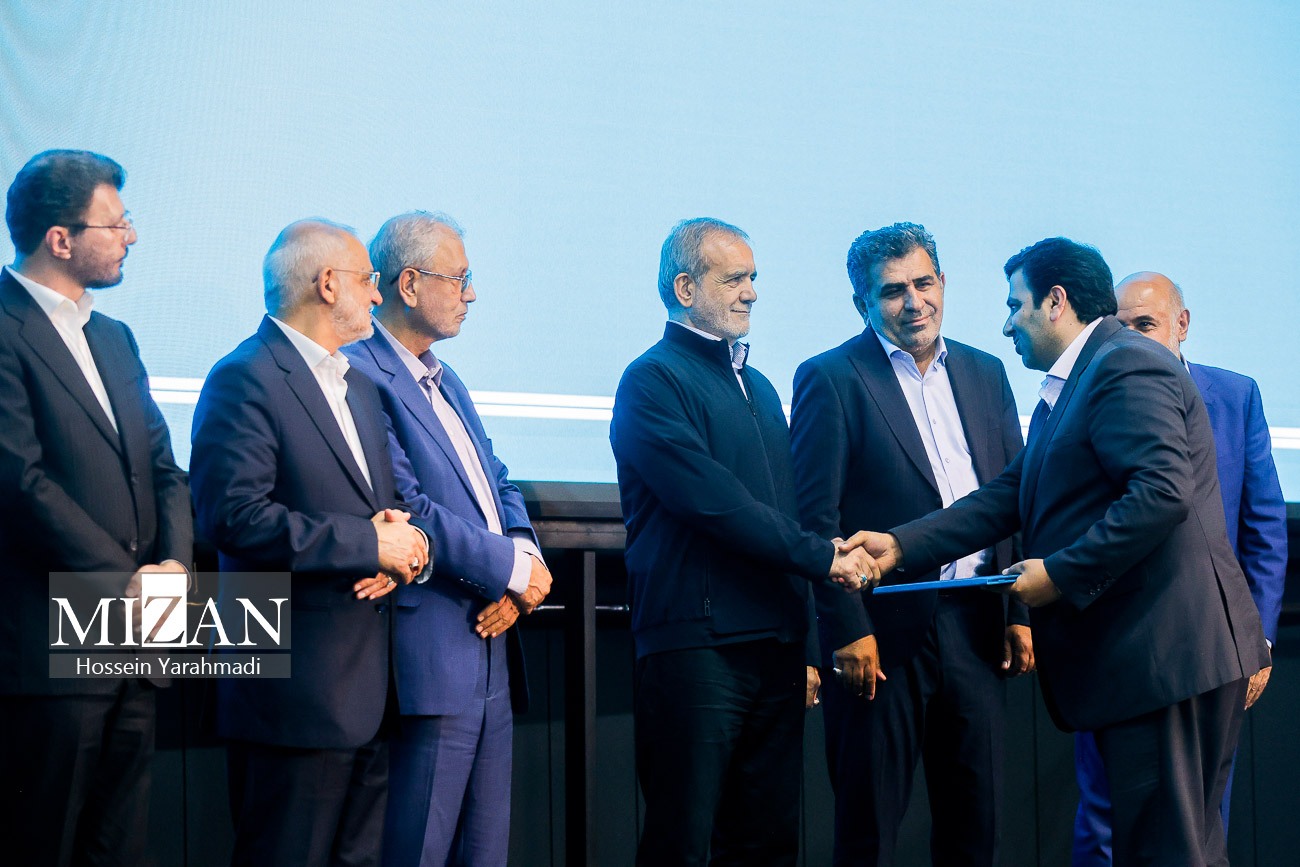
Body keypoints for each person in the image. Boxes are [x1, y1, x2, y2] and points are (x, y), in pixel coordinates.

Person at [847, 238, 1270, 866]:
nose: (1006, 325)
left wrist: (1060, 575)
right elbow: (1008, 496)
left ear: (1055, 301)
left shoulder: (1125, 365)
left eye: (1014, 305)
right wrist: (900, 544)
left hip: (1167, 659)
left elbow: (1161, 494)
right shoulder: (1080, 380)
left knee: (1170, 852)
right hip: (1151, 664)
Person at [609, 217, 878, 866]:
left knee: (768, 844)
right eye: (734, 278)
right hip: (697, 649)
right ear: (684, 287)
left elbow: (788, 511)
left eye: (753, 277)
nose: (752, 291)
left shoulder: (758, 385)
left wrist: (807, 645)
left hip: (775, 649)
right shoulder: (651, 380)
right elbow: (714, 504)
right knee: (682, 842)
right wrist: (826, 558)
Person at [189, 219, 432, 867]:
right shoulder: (244, 376)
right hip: (293, 697)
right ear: (328, 284)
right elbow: (232, 516)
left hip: (373, 690)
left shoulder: (363, 388)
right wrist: (366, 544)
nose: (378, 295)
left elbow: (390, 513)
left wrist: (400, 552)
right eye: (367, 280)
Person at [789, 222, 1032, 866]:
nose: (914, 301)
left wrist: (1018, 610)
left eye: (925, 283)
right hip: (880, 635)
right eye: (893, 290)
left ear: (943, 282)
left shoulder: (986, 372)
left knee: (976, 831)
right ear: (863, 303)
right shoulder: (830, 377)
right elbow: (815, 520)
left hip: (979, 626)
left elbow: (1013, 494)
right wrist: (846, 628)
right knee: (869, 835)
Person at [0, 150, 192, 867]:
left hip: (137, 646)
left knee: (120, 849)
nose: (130, 236)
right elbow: (18, 480)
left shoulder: (114, 336)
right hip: (48, 649)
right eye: (116, 224)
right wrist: (127, 581)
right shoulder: (4, 326)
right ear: (60, 238)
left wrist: (173, 569)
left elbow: (164, 468)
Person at [343, 211, 551, 867]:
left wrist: (526, 559)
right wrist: (512, 572)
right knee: (419, 851)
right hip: (430, 655)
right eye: (459, 279)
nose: (471, 293)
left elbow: (497, 478)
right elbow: (410, 507)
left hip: (490, 652)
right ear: (409, 284)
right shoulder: (360, 373)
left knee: (485, 853)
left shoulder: (445, 376)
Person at [1070, 271, 1289, 865]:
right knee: (1104, 819)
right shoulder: (1085, 395)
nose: (1131, 339)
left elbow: (1263, 527)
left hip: (1214, 649)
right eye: (1120, 327)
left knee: (1200, 822)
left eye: (1145, 324)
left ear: (1182, 325)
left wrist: (1258, 639)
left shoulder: (1235, 396)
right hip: (1116, 646)